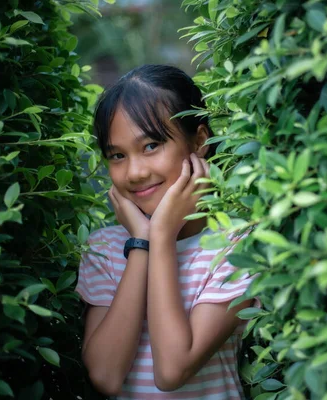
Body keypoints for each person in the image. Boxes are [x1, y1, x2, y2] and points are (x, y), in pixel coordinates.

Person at [75, 65, 256, 400]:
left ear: (200, 140)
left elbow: (172, 370)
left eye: (151, 145)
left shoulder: (235, 247)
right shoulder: (104, 247)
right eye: (117, 155)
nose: (135, 172)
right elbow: (105, 377)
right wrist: (142, 243)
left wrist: (160, 237)